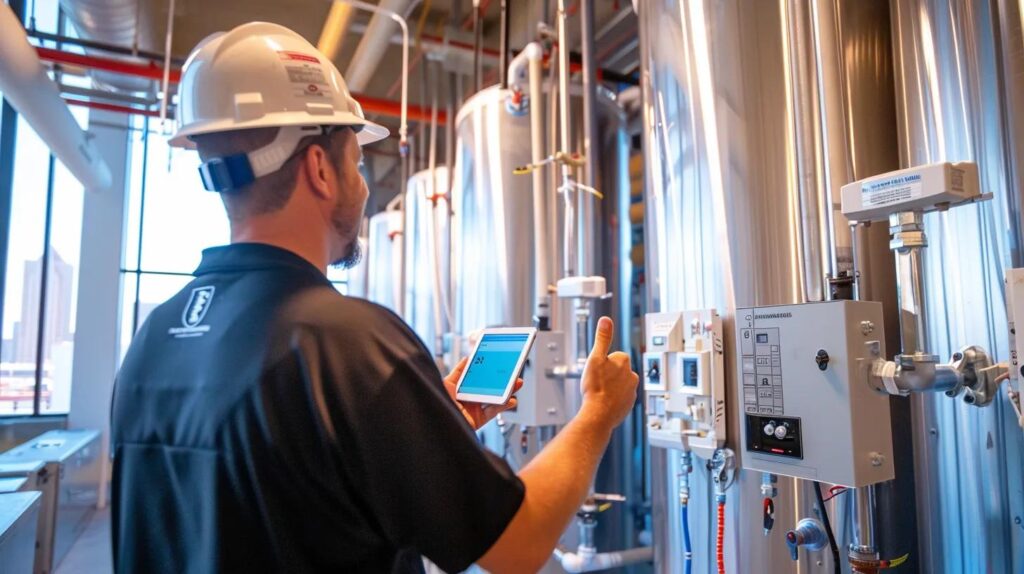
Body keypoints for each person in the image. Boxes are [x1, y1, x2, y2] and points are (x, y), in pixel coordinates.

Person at [111, 22, 639, 574]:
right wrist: (598, 414)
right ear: (319, 169)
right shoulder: (348, 343)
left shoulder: (153, 338)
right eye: (356, 164)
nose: (364, 187)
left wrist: (432, 427)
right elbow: (518, 545)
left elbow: (271, 499)